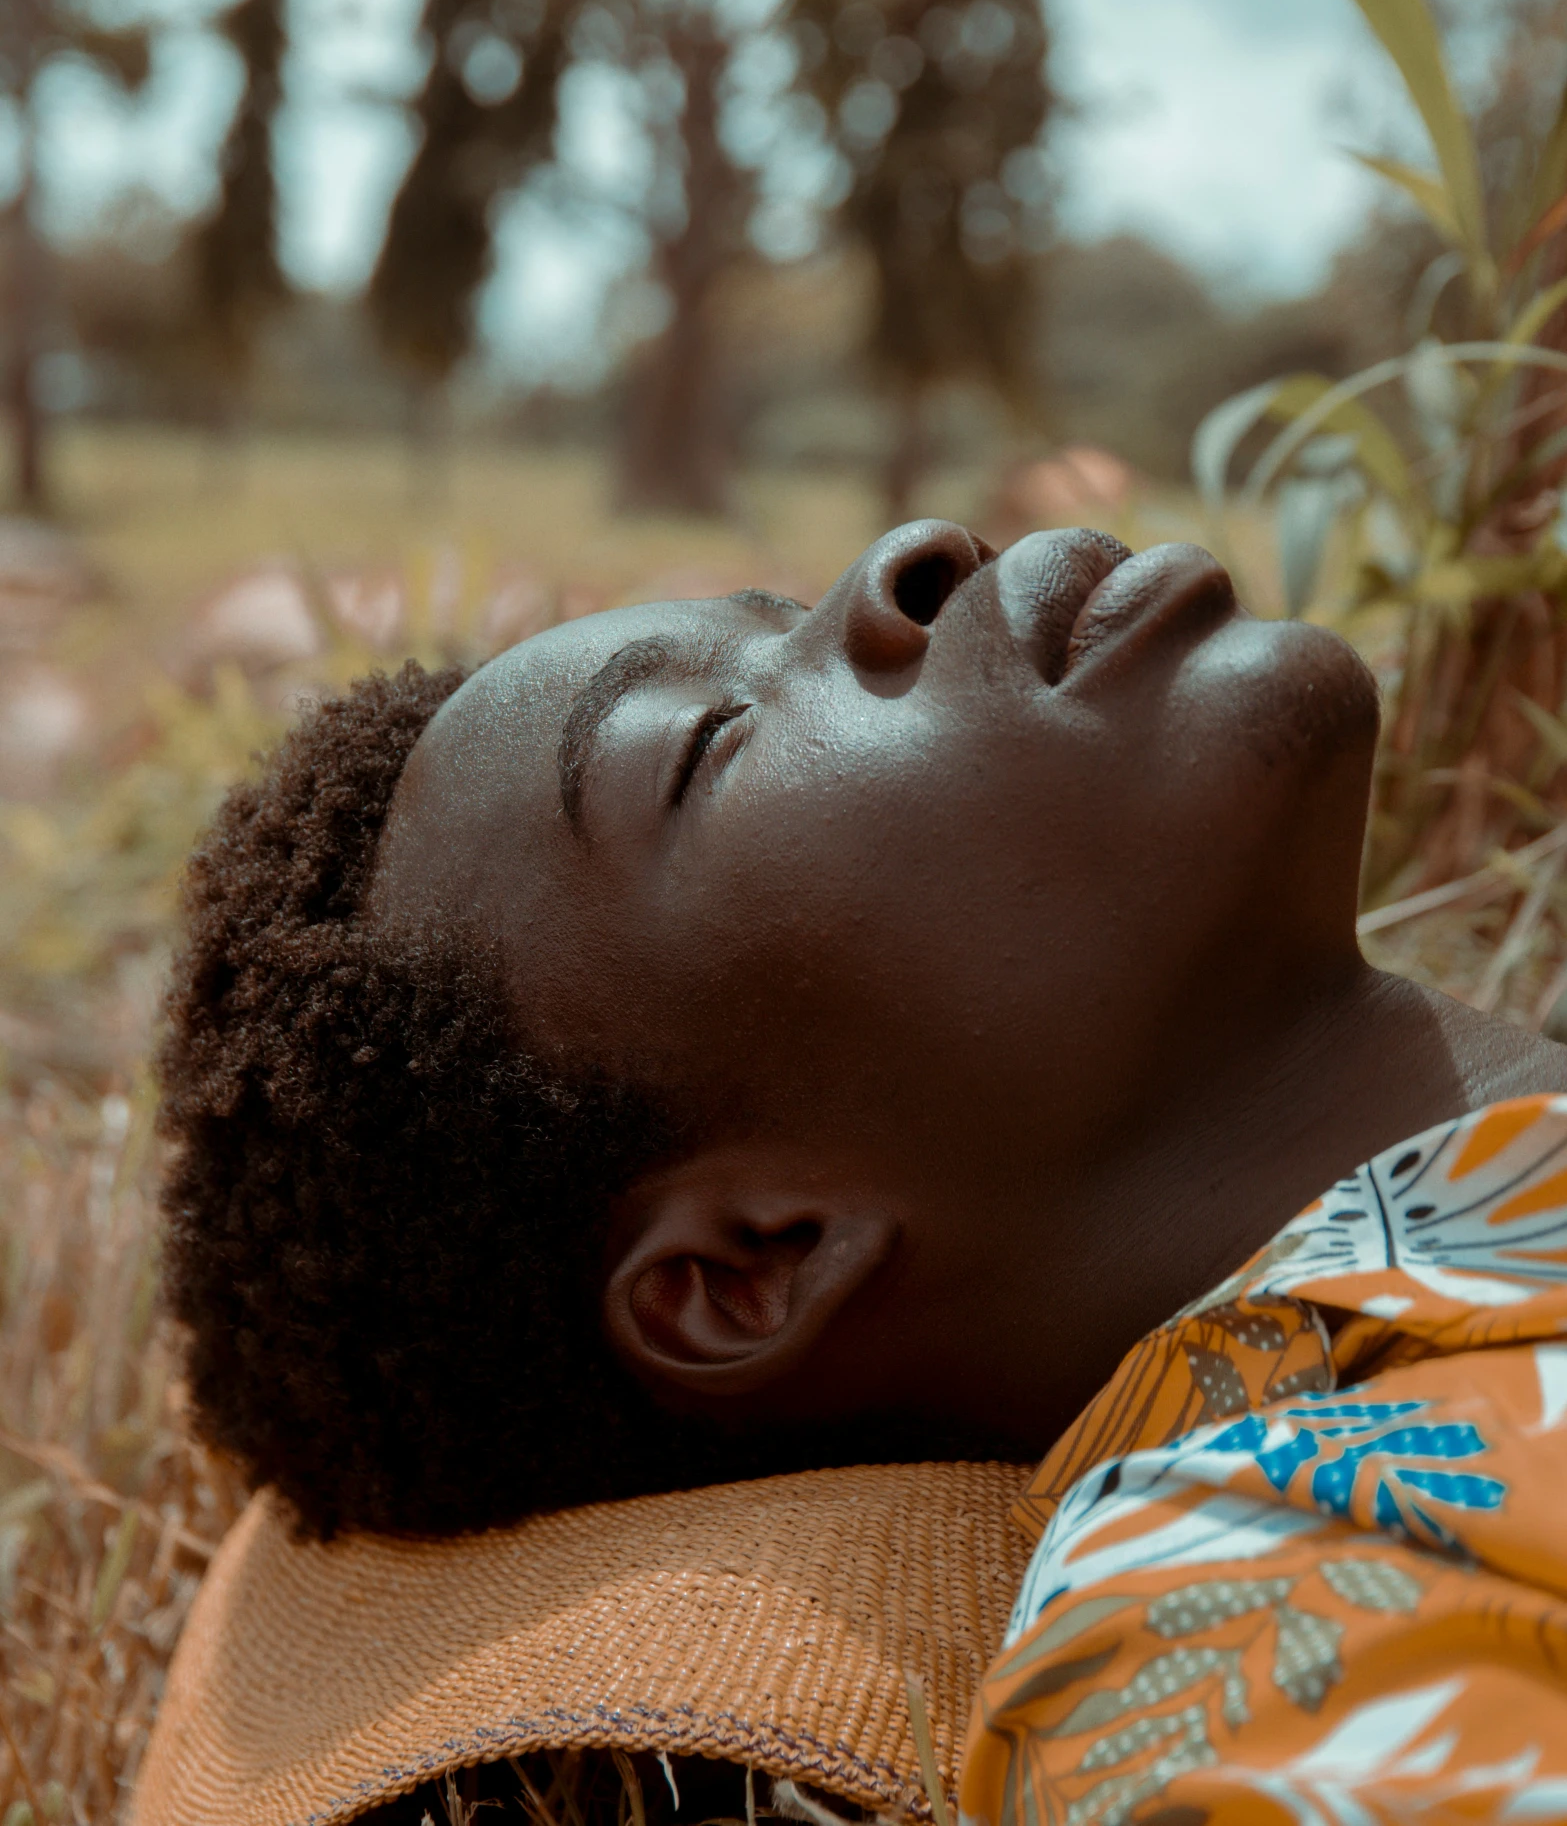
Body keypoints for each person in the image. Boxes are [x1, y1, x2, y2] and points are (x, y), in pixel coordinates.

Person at [158, 520, 1567, 1822]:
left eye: (779, 608)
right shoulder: (1288, 1619)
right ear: (753, 1262)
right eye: (708, 740)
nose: (911, 557)